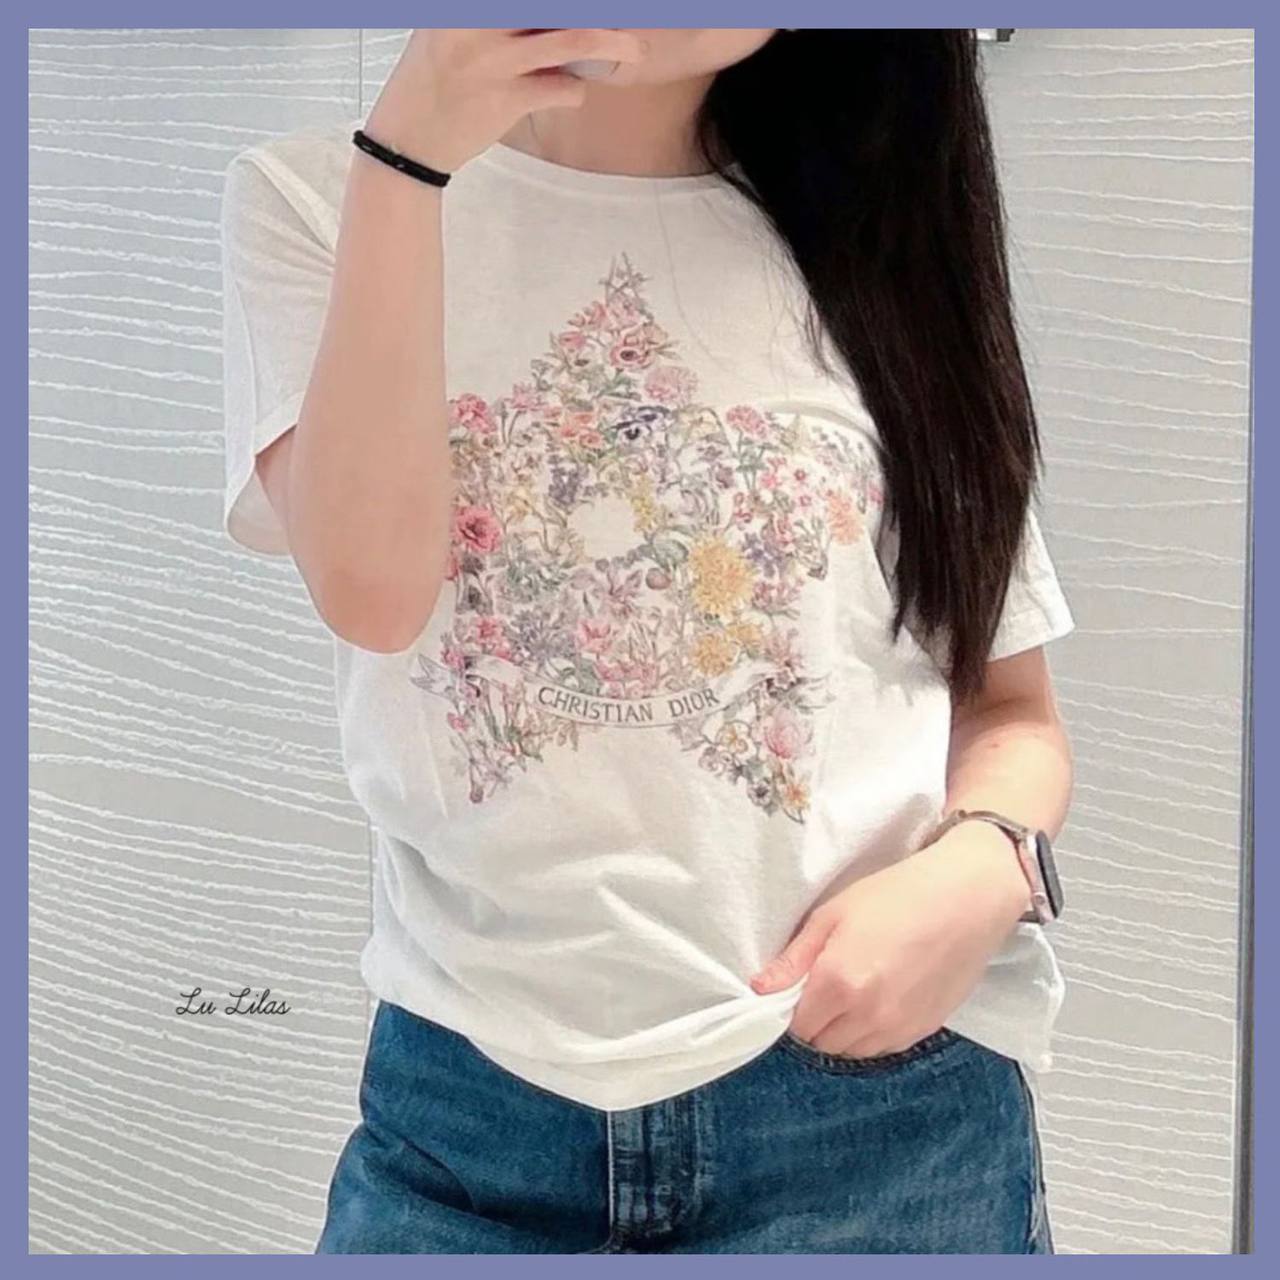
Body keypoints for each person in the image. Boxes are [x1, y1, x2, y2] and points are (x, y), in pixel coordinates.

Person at [220, 28, 1075, 1255]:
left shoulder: (875, 245)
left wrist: (983, 868)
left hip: (874, 1118)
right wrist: (404, 162)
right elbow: (373, 591)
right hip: (468, 1129)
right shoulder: (317, 198)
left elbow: (1010, 709)